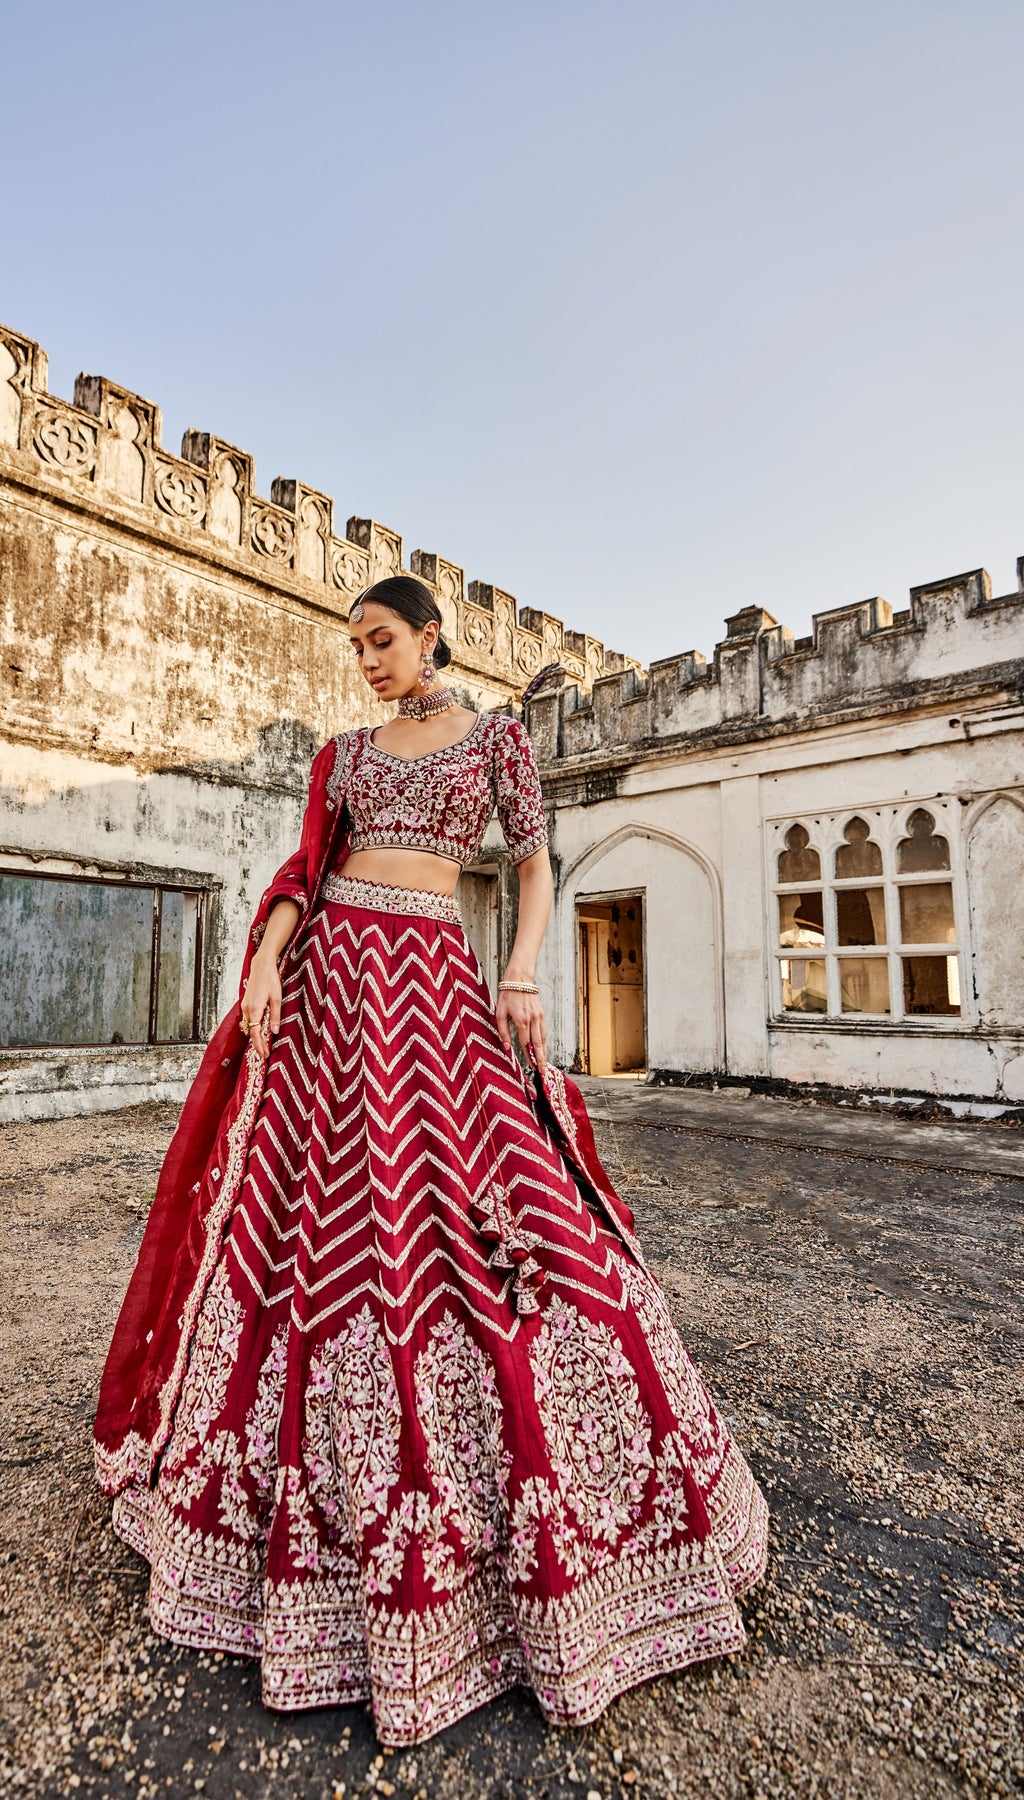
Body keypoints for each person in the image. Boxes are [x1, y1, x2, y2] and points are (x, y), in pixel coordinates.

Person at [94, 574, 768, 1747]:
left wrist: (522, 969)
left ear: (432, 638)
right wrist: (266, 958)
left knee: (505, 1223)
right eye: (355, 645)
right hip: (337, 995)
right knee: (314, 1234)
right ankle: (294, 1543)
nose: (367, 660)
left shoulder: (498, 737)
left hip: (440, 992)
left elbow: (537, 860)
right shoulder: (345, 757)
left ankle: (547, 1529)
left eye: (383, 641)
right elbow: (307, 871)